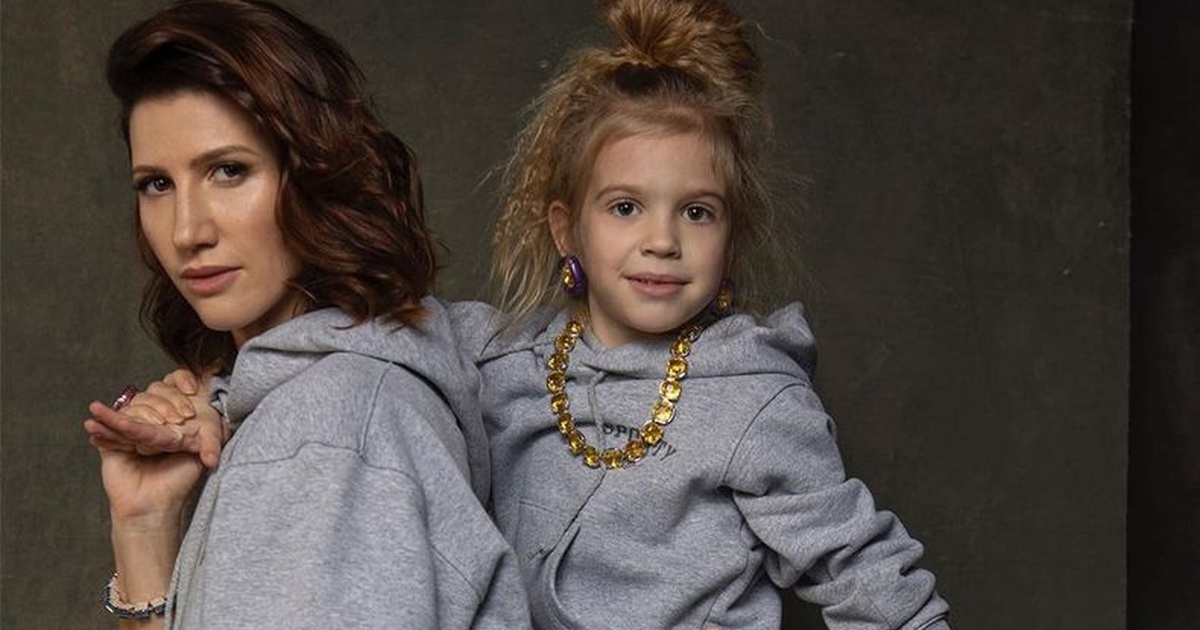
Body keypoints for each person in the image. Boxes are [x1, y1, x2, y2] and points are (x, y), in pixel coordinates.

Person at [92, 0, 952, 628]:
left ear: (732, 238)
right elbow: (382, 332)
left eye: (697, 212)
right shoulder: (503, 356)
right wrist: (216, 401)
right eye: (625, 208)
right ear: (566, 229)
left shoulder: (753, 397)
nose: (661, 242)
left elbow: (873, 580)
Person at [83, 0, 529, 628]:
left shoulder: (327, 427)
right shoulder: (318, 405)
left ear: (317, 174)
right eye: (157, 184)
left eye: (229, 171)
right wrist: (143, 527)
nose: (186, 231)